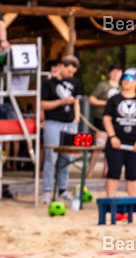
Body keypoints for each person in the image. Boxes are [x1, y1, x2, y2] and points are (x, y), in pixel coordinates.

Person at [103, 67, 136, 198]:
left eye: (130, 78)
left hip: (135, 143)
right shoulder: (114, 99)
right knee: (113, 172)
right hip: (116, 142)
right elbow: (107, 119)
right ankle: (111, 202)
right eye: (124, 77)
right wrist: (112, 136)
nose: (126, 80)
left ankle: (132, 203)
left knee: (133, 174)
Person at [40, 55, 82, 204]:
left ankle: (62, 189)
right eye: (69, 71)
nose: (70, 75)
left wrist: (76, 118)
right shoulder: (48, 83)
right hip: (53, 122)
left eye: (73, 72)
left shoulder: (74, 82)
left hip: (70, 124)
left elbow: (76, 101)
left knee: (67, 157)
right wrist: (61, 102)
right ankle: (47, 190)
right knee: (51, 157)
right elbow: (42, 105)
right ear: (61, 66)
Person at [88, 64, 122, 177]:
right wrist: (106, 103)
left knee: (111, 147)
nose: (116, 74)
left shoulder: (122, 88)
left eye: (118, 72)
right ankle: (89, 172)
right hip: (101, 119)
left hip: (115, 121)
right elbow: (91, 99)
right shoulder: (103, 85)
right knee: (99, 146)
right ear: (109, 73)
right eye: (114, 72)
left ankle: (106, 172)